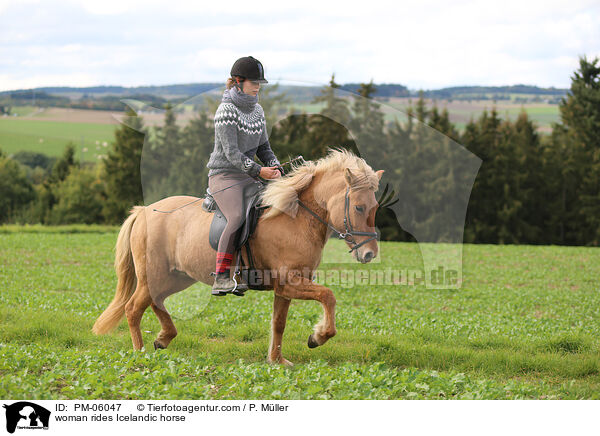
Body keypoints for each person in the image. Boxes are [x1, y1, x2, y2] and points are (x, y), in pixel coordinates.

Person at [206, 56, 283, 294]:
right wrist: (261, 171)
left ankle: (249, 272)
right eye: (253, 81)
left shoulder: (258, 111)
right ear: (238, 81)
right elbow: (231, 154)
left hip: (248, 176)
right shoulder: (226, 110)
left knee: (266, 212)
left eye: (260, 81)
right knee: (237, 217)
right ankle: (221, 276)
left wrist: (277, 167)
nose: (258, 85)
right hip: (224, 176)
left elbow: (264, 149)